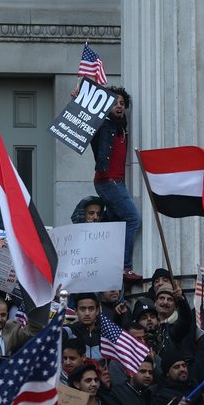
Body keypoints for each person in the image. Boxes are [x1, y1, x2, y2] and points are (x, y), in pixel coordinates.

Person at [89, 86, 142, 281]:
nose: (118, 106)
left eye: (121, 103)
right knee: (133, 219)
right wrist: (80, 99)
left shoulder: (122, 128)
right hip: (108, 182)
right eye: (114, 103)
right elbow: (88, 121)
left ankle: (106, 264)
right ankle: (124, 267)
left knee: (112, 227)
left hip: (117, 183)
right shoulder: (103, 125)